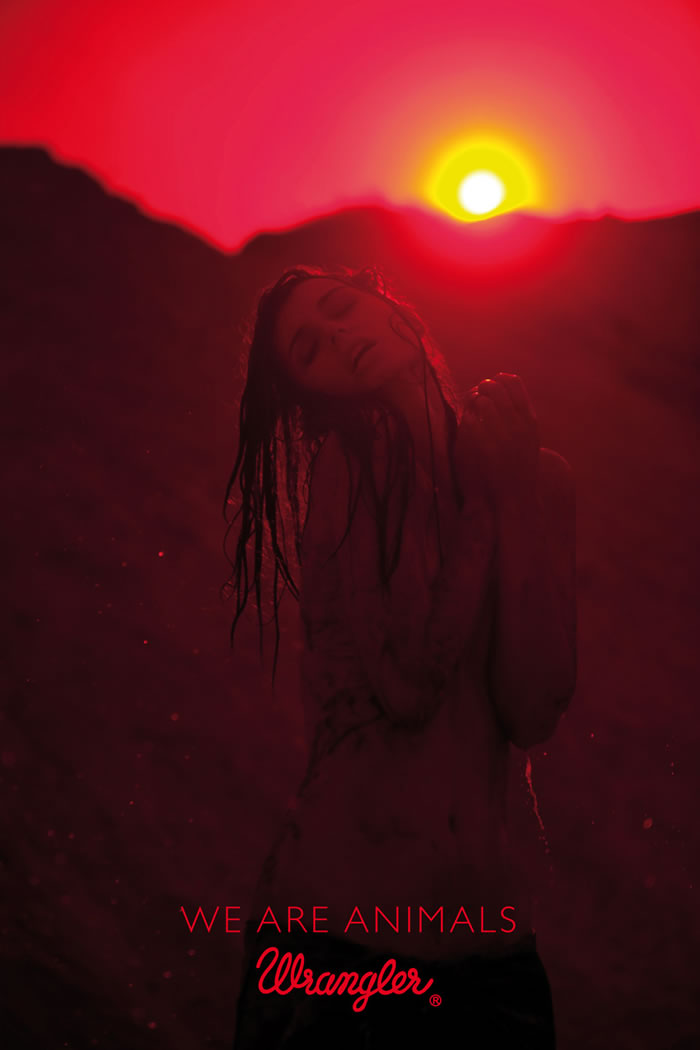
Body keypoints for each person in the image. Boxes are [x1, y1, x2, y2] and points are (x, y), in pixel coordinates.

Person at [223, 264, 576, 1048]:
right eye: (309, 350)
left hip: (491, 953)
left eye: (341, 309)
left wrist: (514, 494)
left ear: (392, 307)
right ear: (314, 395)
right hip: (340, 942)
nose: (337, 336)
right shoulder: (354, 470)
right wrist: (487, 502)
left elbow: (533, 708)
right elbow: (409, 684)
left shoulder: (537, 478)